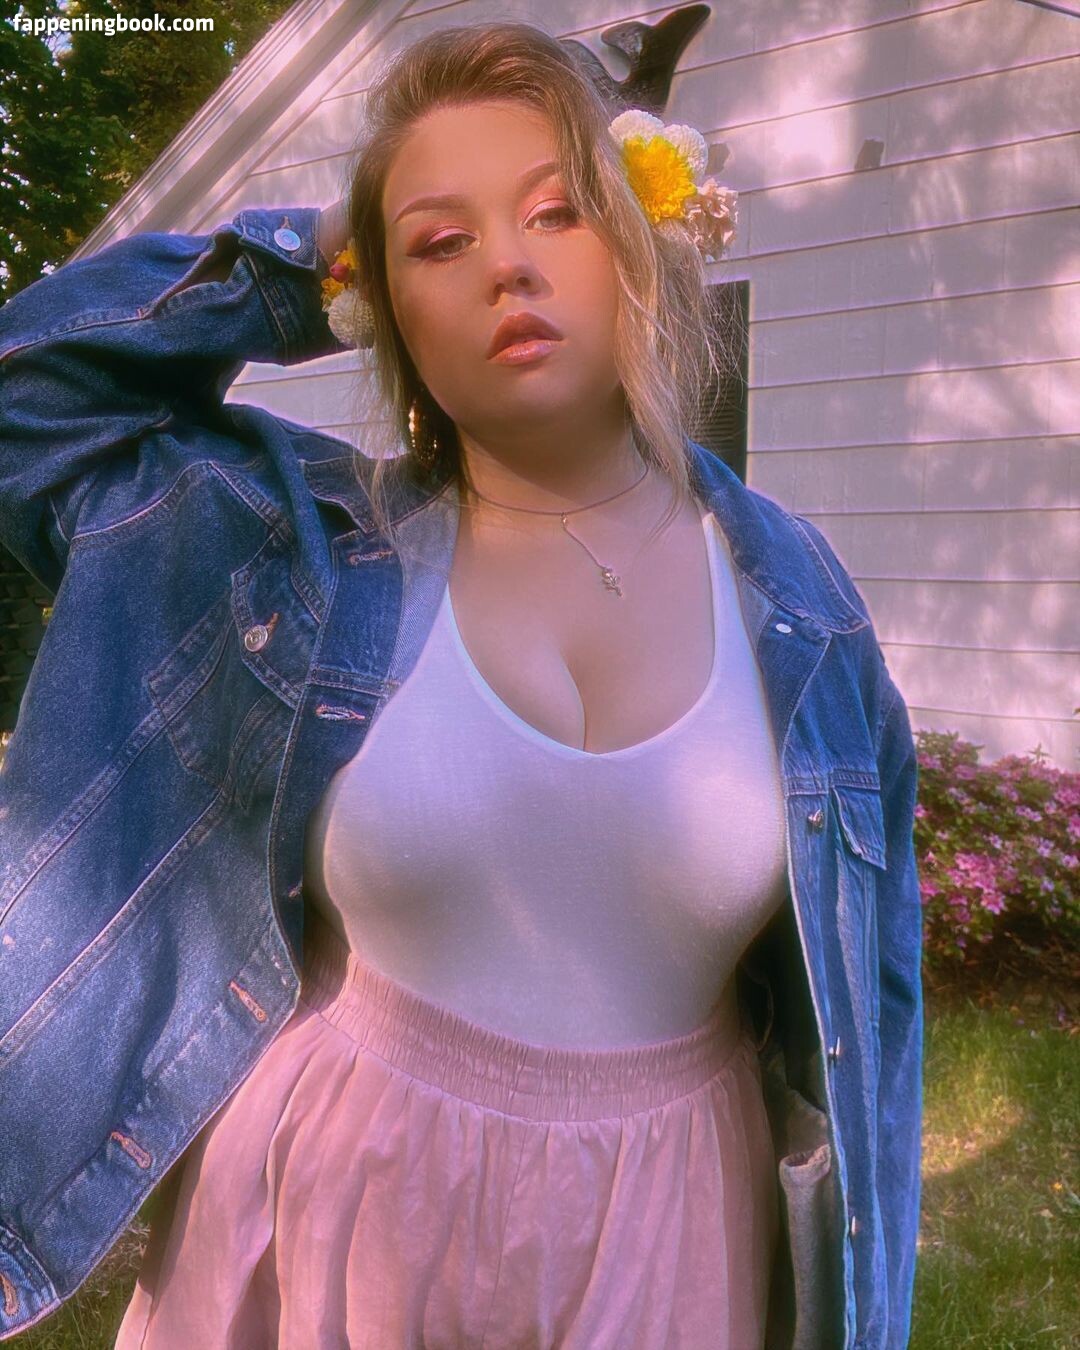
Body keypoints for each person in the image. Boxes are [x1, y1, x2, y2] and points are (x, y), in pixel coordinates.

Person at [0, 20, 922, 1350]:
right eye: (438, 243)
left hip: (669, 1231)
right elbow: (28, 398)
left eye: (557, 210)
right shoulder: (296, 552)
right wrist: (307, 257)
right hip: (328, 1208)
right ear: (384, 310)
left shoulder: (803, 608)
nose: (506, 264)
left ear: (637, 248)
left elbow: (875, 1014)